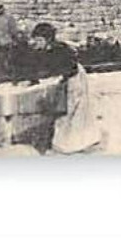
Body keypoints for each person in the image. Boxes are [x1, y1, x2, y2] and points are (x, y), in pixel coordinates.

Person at [22, 22, 101, 154]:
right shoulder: (40, 51)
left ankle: (77, 142)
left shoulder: (62, 50)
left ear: (48, 39)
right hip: (62, 78)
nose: (37, 43)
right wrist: (33, 80)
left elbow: (70, 67)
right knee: (63, 110)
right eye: (35, 40)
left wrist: (60, 78)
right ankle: (63, 141)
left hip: (74, 78)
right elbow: (40, 68)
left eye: (40, 40)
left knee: (73, 108)